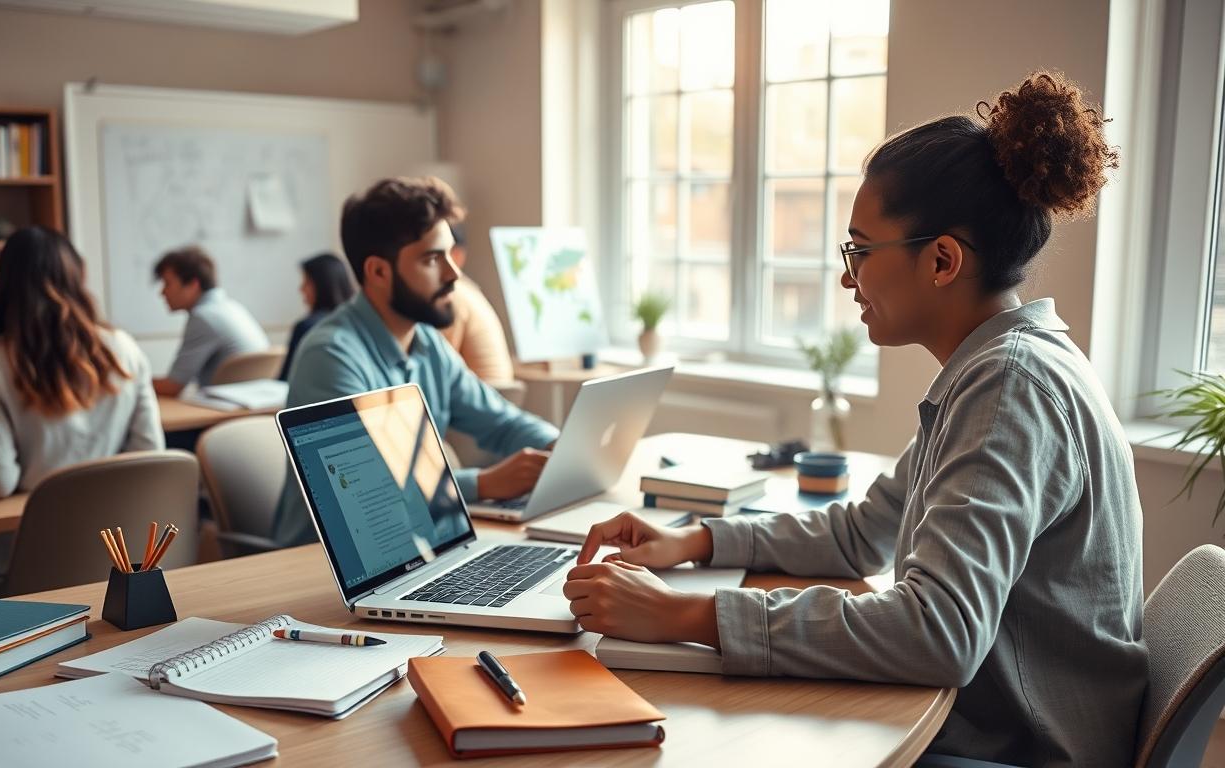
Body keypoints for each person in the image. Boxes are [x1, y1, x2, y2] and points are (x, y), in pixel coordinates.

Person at [565, 72, 1144, 767]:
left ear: (941, 260)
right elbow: (864, 532)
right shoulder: (998, 367)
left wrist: (682, 614)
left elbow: (937, 632)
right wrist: (693, 541)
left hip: (1025, 754)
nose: (848, 277)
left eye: (861, 250)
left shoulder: (1007, 388)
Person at [270, 176, 558, 546]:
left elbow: (502, 423)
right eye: (432, 259)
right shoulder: (331, 355)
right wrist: (483, 484)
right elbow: (367, 491)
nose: (453, 274)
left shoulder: (427, 343)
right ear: (378, 271)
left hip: (416, 543)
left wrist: (559, 449)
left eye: (450, 254)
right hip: (325, 559)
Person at [0, 227, 164, 587]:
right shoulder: (124, 348)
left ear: (3, 281)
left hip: (36, 559)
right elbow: (150, 455)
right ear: (77, 276)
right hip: (124, 556)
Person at [151, 246, 269, 395]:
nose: (162, 292)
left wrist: (132, 381)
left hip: (225, 404)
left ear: (193, 285)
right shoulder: (232, 307)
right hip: (257, 401)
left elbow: (172, 387)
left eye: (167, 283)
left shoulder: (203, 317)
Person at [438, 222, 516, 384]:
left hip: (484, 393)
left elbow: (438, 365)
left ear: (457, 255)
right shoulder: (469, 290)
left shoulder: (453, 295)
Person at [279, 252, 356, 381]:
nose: (301, 289)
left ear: (323, 284)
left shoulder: (307, 327)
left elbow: (286, 380)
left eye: (307, 282)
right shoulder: (358, 324)